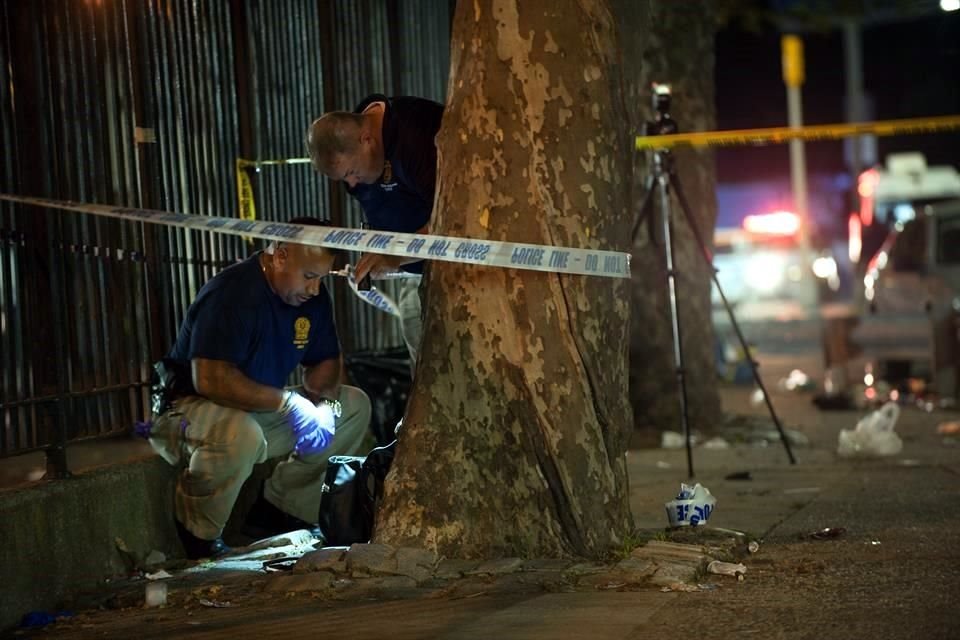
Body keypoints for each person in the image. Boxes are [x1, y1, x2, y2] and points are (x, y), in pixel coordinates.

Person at [143, 218, 372, 559]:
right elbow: (211, 379)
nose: (314, 289)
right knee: (241, 432)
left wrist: (320, 402)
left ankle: (281, 510)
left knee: (351, 405)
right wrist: (288, 403)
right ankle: (199, 536)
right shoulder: (232, 293)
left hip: (256, 410)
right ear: (280, 256)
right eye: (309, 277)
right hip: (186, 414)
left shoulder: (311, 297)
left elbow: (326, 360)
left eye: (321, 279)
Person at [305, 93, 444, 366]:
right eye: (344, 179)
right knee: (424, 364)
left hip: (463, 266)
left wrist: (397, 256)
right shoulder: (355, 152)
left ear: (366, 140)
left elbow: (455, 218)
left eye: (351, 173)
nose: (353, 184)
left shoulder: (416, 135)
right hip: (414, 273)